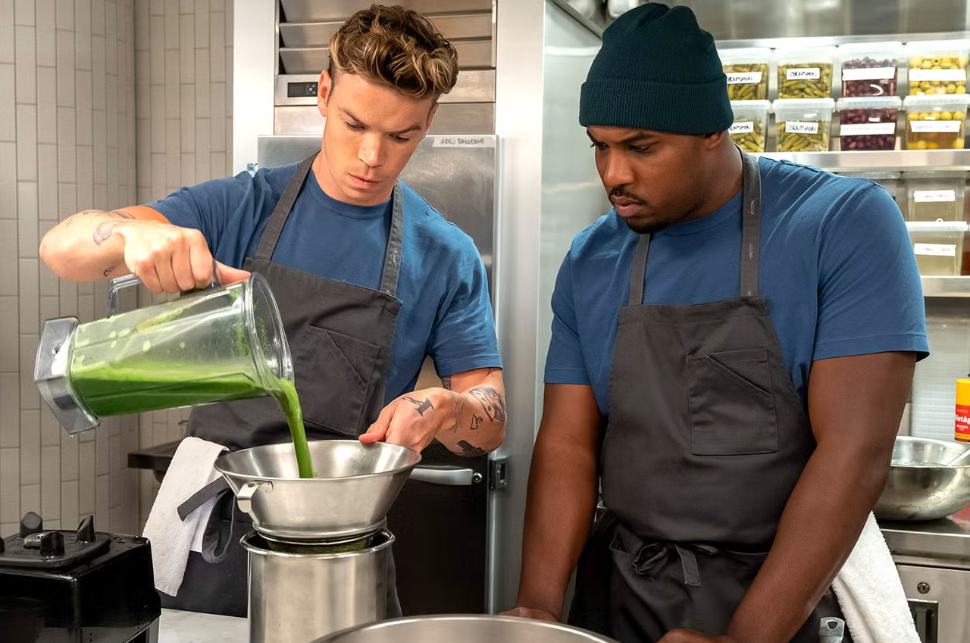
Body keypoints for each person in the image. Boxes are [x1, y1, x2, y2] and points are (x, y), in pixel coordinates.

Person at [40, 5, 505, 617]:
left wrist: (448, 406)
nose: (372, 156)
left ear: (429, 121)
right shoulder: (242, 206)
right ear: (324, 91)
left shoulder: (446, 254)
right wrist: (128, 236)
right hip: (205, 529)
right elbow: (61, 248)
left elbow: (491, 421)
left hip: (340, 546)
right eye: (354, 123)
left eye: (401, 136)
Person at [505, 4, 926, 642]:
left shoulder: (842, 224)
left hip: (784, 602)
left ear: (712, 130)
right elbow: (568, 443)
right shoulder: (593, 259)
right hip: (621, 596)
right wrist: (537, 607)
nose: (615, 174)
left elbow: (854, 454)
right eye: (601, 146)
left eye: (642, 147)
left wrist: (746, 638)